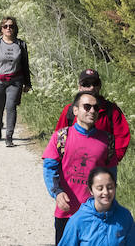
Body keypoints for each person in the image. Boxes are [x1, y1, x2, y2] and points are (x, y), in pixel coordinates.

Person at [43, 91, 118, 244]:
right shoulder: (61, 137)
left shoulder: (108, 140)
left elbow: (111, 175)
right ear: (75, 110)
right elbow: (49, 168)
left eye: (96, 108)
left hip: (95, 213)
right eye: (87, 107)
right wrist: (57, 193)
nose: (92, 111)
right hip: (67, 212)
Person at [55, 69, 130, 163]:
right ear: (79, 87)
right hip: (73, 165)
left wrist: (112, 160)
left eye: (95, 83)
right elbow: (59, 137)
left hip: (102, 167)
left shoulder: (112, 110)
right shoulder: (70, 110)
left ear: (100, 86)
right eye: (86, 84)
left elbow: (122, 137)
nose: (91, 88)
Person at [0, 16, 31, 146]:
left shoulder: (21, 44)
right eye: (5, 26)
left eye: (11, 26)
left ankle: (9, 136)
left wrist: (27, 83)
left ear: (15, 29)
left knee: (11, 107)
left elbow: (25, 65)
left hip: (15, 81)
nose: (8, 28)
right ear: (1, 29)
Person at [58, 167, 135, 245]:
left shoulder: (125, 216)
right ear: (91, 190)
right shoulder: (78, 220)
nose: (105, 192)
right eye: (100, 188)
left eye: (110, 187)